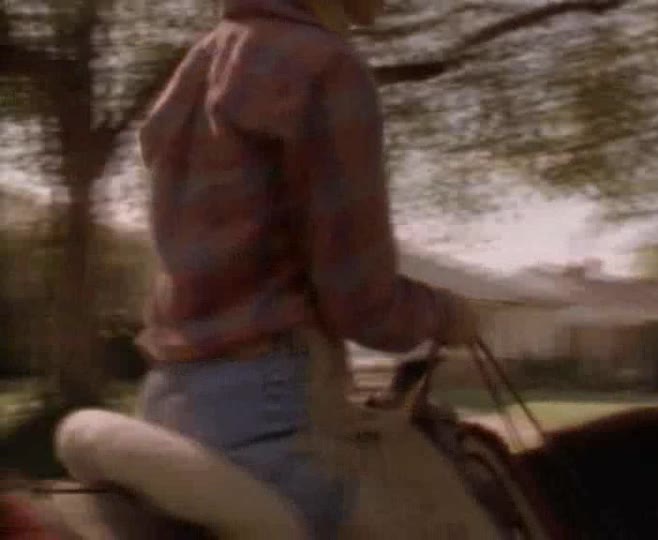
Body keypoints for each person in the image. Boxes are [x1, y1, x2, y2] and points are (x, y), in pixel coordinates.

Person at [135, 0, 485, 537]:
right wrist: (447, 315)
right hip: (273, 416)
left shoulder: (200, 63)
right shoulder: (327, 67)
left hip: (167, 402)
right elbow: (363, 305)